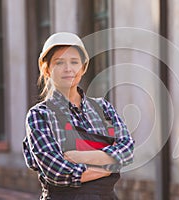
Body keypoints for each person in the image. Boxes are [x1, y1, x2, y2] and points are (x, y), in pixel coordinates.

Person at [22, 32, 134, 200]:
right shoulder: (39, 116)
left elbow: (127, 150)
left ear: (83, 67)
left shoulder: (103, 108)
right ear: (46, 69)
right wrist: (111, 165)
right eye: (59, 63)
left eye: (74, 62)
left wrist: (81, 157)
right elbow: (58, 173)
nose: (68, 69)